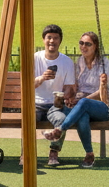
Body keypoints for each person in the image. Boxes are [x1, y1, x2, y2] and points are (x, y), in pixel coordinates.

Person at [43, 31, 109, 167]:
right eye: (81, 43)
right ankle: (89, 154)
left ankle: (60, 130)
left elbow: (102, 91)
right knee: (82, 116)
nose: (83, 46)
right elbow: (75, 86)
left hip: (102, 105)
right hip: (82, 105)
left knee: (85, 103)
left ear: (95, 46)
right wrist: (70, 98)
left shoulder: (104, 63)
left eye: (88, 44)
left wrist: (80, 101)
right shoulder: (79, 62)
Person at [31, 24, 76, 168]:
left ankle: (54, 152)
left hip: (55, 105)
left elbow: (69, 87)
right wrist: (42, 78)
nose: (52, 41)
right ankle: (26, 153)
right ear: (43, 39)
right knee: (28, 119)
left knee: (62, 120)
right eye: (49, 37)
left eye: (55, 38)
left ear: (60, 41)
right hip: (35, 103)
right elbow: (26, 85)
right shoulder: (34, 58)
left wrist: (66, 95)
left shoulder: (66, 62)